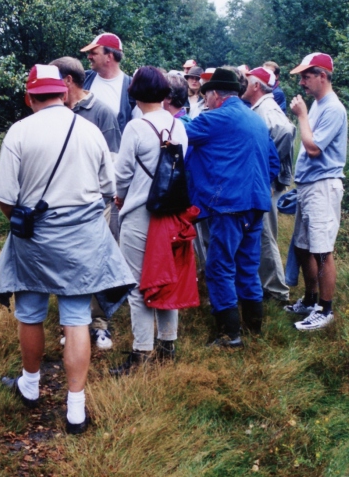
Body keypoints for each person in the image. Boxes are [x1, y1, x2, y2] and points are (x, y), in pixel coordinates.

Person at [0, 65, 134, 433]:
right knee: (76, 318)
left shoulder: (19, 131)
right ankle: (75, 410)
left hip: (34, 240)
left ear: (29, 97)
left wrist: (22, 221)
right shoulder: (89, 130)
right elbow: (109, 189)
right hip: (83, 240)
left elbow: (4, 197)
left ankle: (30, 385)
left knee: (30, 313)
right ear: (64, 92)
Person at [185, 67, 278, 349]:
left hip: (228, 205)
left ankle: (229, 334)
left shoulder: (213, 119)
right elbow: (273, 163)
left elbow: (177, 136)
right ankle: (254, 327)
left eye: (207, 96)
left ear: (215, 94)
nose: (206, 101)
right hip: (255, 203)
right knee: (248, 266)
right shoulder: (256, 119)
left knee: (219, 266)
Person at [111, 66, 188, 375]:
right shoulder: (178, 125)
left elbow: (122, 175)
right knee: (166, 280)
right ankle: (168, 346)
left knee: (137, 285)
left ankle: (141, 352)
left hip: (140, 215)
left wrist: (120, 197)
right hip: (171, 214)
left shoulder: (136, 127)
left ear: (135, 93)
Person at [49, 56, 121, 350]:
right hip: (60, 204)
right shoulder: (53, 112)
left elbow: (113, 162)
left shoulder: (102, 112)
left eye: (54, 81)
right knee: (66, 263)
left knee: (95, 264)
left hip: (96, 204)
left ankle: (100, 325)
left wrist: (103, 202)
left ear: (67, 81)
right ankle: (72, 324)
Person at [286, 52, 347, 331]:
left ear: (323, 76)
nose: (302, 82)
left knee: (322, 250)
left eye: (306, 76)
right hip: (309, 186)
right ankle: (311, 299)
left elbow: (312, 148)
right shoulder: (319, 105)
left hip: (323, 186)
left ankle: (325, 309)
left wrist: (301, 116)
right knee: (302, 247)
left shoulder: (333, 108)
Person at [242, 67, 296, 303]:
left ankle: (277, 292)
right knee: (262, 232)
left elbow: (286, 131)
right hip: (265, 180)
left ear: (256, 86)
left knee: (265, 234)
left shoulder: (267, 108)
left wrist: (266, 167)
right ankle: (267, 286)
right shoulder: (260, 107)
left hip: (267, 182)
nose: (243, 86)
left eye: (247, 82)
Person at [80, 32, 133, 133]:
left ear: (109, 56)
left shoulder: (131, 86)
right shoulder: (83, 78)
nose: (89, 57)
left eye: (94, 53)